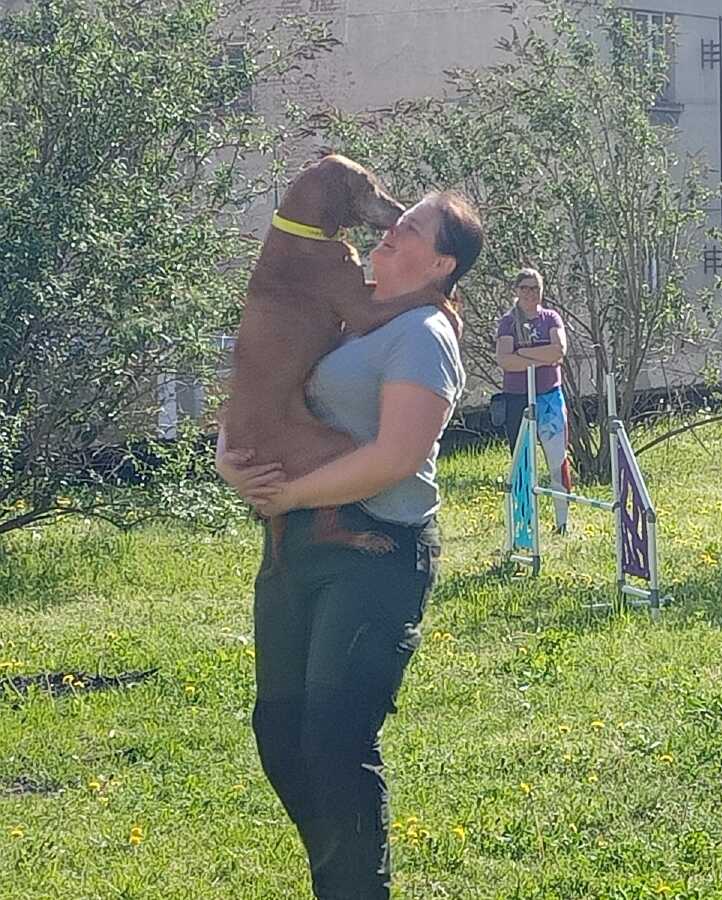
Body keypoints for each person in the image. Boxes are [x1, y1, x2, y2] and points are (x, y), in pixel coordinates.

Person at [215, 190, 483, 900]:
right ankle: (345, 879)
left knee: (335, 739)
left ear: (442, 263)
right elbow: (261, 377)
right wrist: (229, 458)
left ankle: (357, 889)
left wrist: (294, 494)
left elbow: (397, 456)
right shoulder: (342, 315)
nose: (391, 227)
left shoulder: (423, 332)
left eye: (412, 226)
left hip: (375, 549)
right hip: (293, 547)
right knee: (281, 736)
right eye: (397, 219)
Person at [494, 267, 572, 534]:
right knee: (522, 463)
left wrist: (523, 353)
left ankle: (562, 522)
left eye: (534, 288)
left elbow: (558, 351)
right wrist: (541, 356)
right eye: (524, 288)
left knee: (557, 460)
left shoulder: (551, 318)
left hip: (550, 398)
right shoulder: (508, 323)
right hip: (518, 399)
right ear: (516, 291)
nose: (529, 293)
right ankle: (524, 524)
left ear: (542, 290)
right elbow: (505, 360)